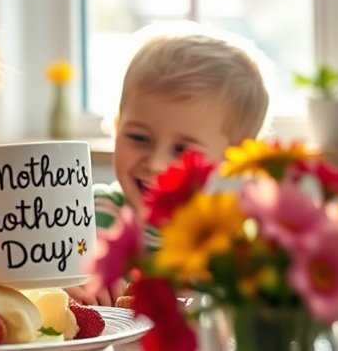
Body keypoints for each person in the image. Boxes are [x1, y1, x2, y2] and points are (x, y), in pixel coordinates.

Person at [70, 25, 271, 306]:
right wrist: (65, 291)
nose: (155, 163)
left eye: (182, 150)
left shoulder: (241, 236)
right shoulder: (84, 217)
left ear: (233, 162)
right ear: (116, 128)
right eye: (139, 137)